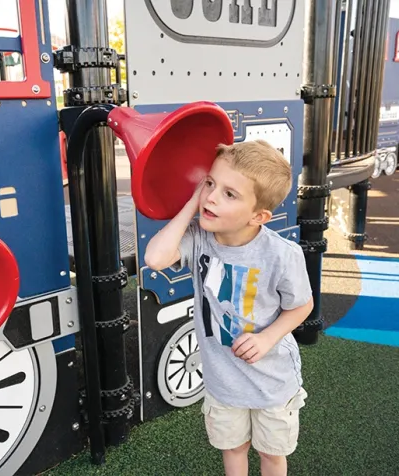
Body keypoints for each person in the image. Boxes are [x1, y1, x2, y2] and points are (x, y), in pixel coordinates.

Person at [144, 140, 313, 476]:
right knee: (233, 448)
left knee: (271, 454)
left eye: (230, 194)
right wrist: (194, 201)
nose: (212, 197)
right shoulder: (200, 238)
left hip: (272, 381)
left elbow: (302, 306)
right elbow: (154, 258)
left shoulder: (282, 255)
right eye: (210, 184)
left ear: (259, 216)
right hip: (223, 380)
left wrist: (267, 339)